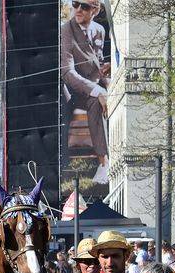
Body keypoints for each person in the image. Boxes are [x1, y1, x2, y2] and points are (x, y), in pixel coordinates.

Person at [60, 0, 110, 185]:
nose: (79, 9)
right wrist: (97, 90)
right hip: (72, 90)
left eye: (85, 6)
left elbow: (97, 61)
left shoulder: (99, 30)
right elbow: (67, 72)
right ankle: (100, 161)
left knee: (105, 100)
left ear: (95, 10)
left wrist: (107, 73)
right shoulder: (66, 30)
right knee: (97, 100)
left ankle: (105, 162)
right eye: (76, 4)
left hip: (92, 87)